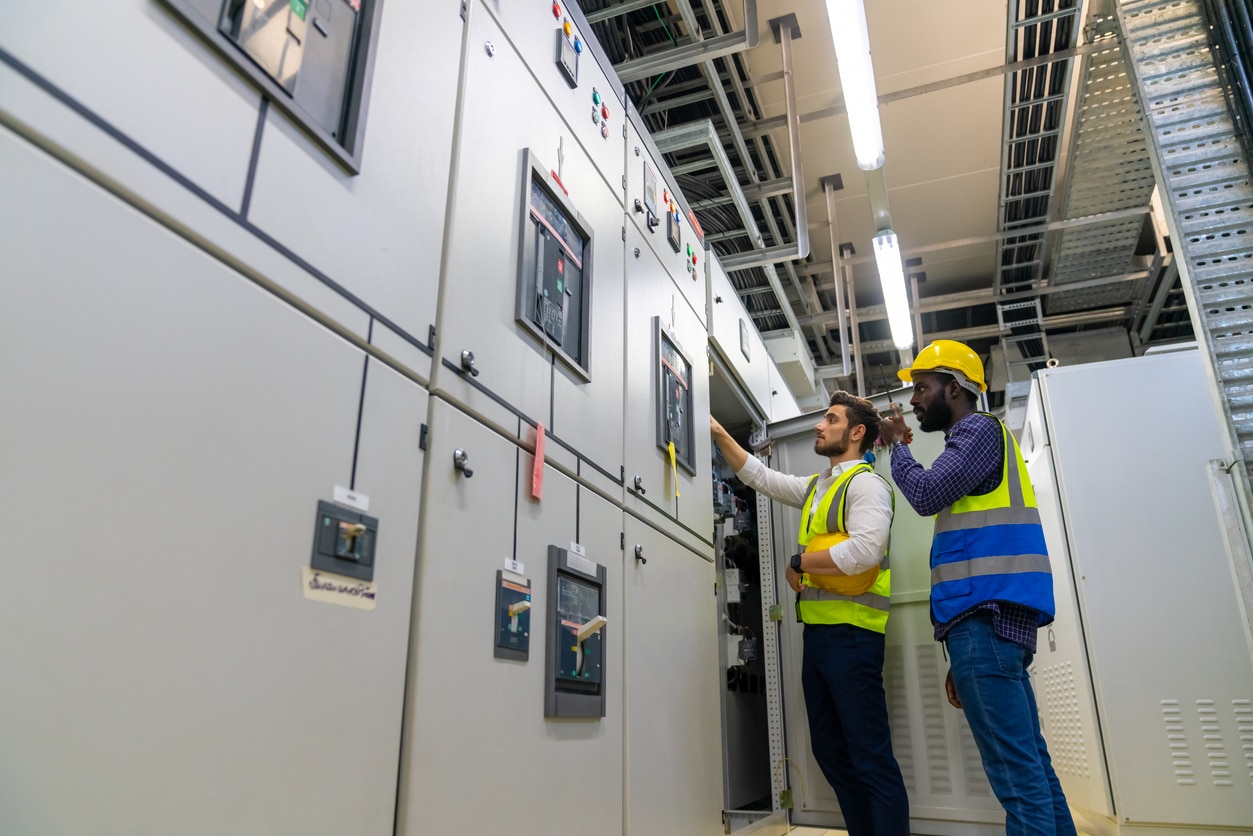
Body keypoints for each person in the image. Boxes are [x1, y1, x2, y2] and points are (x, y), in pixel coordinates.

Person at [877, 340, 1075, 836]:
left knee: (1017, 777)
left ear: (957, 387)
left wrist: (898, 445)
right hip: (989, 627)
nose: (915, 400)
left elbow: (923, 494)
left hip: (986, 624)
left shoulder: (979, 432)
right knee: (1032, 768)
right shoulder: (983, 441)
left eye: (922, 388)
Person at [711, 392, 909, 836]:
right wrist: (719, 432)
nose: (821, 426)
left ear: (857, 433)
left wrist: (800, 562)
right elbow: (760, 476)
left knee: (870, 755)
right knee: (829, 750)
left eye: (831, 420)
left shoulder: (866, 485)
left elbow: (865, 551)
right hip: (820, 638)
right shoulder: (820, 487)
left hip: (855, 637)